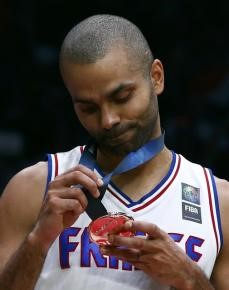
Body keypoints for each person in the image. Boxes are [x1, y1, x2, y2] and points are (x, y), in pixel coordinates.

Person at [0, 14, 229, 290]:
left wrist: (192, 280)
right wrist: (38, 241)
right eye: (88, 108)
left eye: (121, 98)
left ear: (156, 78)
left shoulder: (219, 203)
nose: (108, 120)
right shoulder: (33, 189)